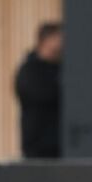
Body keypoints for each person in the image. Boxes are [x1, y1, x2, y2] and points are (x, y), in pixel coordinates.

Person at [15, 22, 63, 158]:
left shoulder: (60, 68)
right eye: (59, 37)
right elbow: (42, 94)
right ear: (47, 40)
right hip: (38, 146)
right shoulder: (30, 70)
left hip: (61, 146)